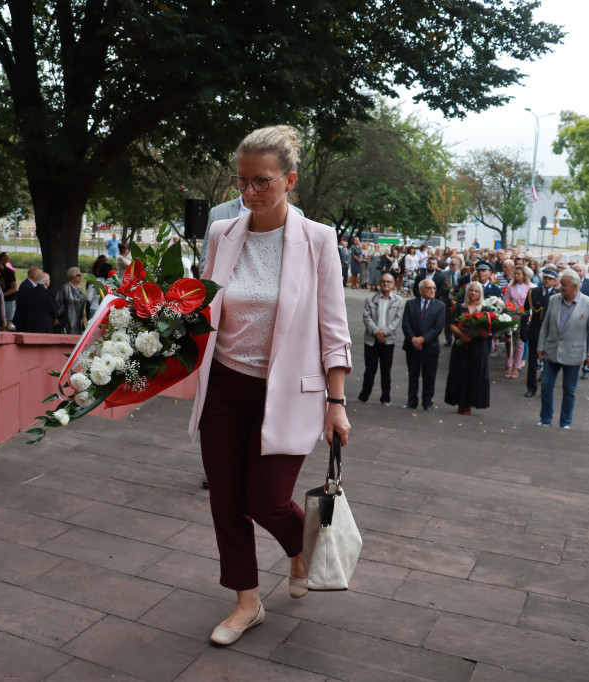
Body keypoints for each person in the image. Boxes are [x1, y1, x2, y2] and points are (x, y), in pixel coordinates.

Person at [188, 125, 351, 647]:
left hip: (288, 394)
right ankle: (246, 601)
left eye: (262, 181)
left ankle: (301, 548)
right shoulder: (222, 234)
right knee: (226, 501)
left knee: (267, 500)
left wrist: (337, 402)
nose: (250, 192)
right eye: (242, 181)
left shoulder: (318, 240)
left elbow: (334, 328)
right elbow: (206, 307)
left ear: (290, 180)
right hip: (225, 387)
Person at [537, 268, 589, 429]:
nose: (561, 288)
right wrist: (540, 346)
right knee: (546, 385)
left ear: (574, 286)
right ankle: (545, 419)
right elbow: (545, 325)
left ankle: (565, 422)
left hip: (574, 352)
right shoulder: (554, 300)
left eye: (564, 285)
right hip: (552, 350)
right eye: (561, 285)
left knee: (569, 390)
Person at [199, 194, 304, 276]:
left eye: (260, 180)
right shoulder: (218, 213)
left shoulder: (295, 214)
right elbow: (206, 263)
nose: (250, 190)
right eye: (243, 180)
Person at [444, 281, 490, 415]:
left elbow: (489, 331)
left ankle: (469, 404)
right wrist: (461, 335)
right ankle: (460, 403)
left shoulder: (485, 309)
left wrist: (481, 331)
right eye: (471, 290)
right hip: (461, 346)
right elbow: (451, 325)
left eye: (476, 291)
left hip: (477, 348)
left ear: (480, 293)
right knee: (460, 373)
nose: (473, 293)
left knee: (474, 375)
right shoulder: (460, 307)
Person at [359, 273, 404, 405]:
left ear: (393, 284)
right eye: (383, 281)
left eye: (388, 282)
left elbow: (397, 320)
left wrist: (384, 333)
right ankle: (364, 396)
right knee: (370, 369)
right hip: (371, 340)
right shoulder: (370, 299)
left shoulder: (398, 300)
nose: (386, 284)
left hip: (388, 341)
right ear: (379, 283)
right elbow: (366, 317)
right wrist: (376, 332)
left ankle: (385, 398)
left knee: (386, 370)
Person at [401, 278, 445, 410]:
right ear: (421, 290)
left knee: (429, 376)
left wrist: (422, 339)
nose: (432, 291)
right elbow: (406, 324)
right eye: (429, 288)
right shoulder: (410, 304)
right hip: (412, 346)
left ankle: (427, 402)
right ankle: (412, 401)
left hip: (430, 347)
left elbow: (438, 328)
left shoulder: (440, 306)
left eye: (434, 288)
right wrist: (414, 339)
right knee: (413, 375)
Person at [523, 268, 559, 398]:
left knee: (549, 363)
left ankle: (547, 388)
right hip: (535, 331)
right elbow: (525, 312)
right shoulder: (533, 292)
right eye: (545, 278)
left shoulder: (558, 294)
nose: (547, 281)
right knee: (532, 363)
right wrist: (523, 330)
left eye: (550, 279)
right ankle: (531, 387)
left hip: (551, 333)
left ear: (555, 281)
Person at [502, 266, 533, 379]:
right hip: (512, 318)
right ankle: (509, 365)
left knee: (521, 343)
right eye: (515, 273)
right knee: (511, 342)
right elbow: (506, 301)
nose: (516, 275)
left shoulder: (530, 288)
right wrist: (508, 312)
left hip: (524, 318)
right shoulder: (510, 287)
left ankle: (517, 367)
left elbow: (531, 304)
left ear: (524, 275)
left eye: (519, 273)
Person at [56, 267, 87, 334]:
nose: (80, 277)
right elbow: (58, 302)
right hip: (67, 319)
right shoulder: (65, 287)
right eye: (78, 275)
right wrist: (56, 317)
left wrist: (83, 317)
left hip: (79, 320)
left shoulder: (80, 288)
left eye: (80, 275)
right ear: (72, 276)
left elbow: (82, 303)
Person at [0, 253, 17, 325]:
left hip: (8, 299)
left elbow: (14, 287)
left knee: (8, 320)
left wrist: (3, 295)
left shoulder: (9, 272)